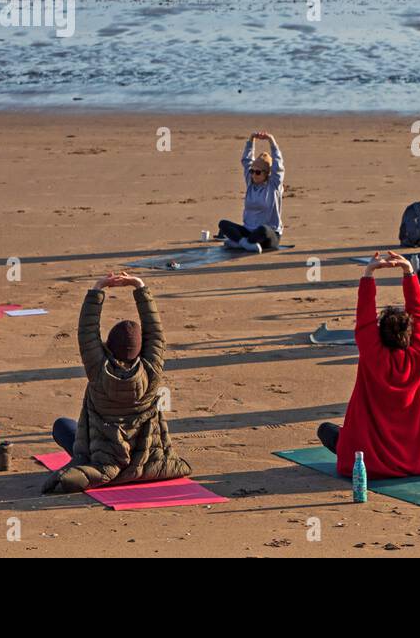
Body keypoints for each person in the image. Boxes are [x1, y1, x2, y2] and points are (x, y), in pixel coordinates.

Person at [43, 272, 191, 493]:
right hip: (148, 456)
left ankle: (98, 472)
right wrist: (139, 286)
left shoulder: (98, 370)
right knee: (67, 428)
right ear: (142, 350)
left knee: (61, 426)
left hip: (105, 456)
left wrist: (98, 288)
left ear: (109, 347)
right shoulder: (151, 371)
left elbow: (87, 333)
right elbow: (155, 331)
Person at [316, 252, 420, 479]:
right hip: (417, 460)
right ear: (411, 334)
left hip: (371, 461)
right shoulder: (418, 353)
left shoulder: (373, 354)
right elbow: (419, 314)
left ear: (379, 334)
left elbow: (364, 317)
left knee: (326, 430)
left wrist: (369, 273)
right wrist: (409, 271)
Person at [216, 131, 284, 253]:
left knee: (263, 229)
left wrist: (271, 140)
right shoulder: (250, 182)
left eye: (258, 172)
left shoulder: (274, 185)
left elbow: (278, 166)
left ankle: (240, 242)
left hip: (269, 235)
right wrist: (251, 139)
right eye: (252, 171)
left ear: (267, 173)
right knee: (223, 224)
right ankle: (244, 244)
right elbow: (247, 160)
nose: (253, 174)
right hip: (248, 232)